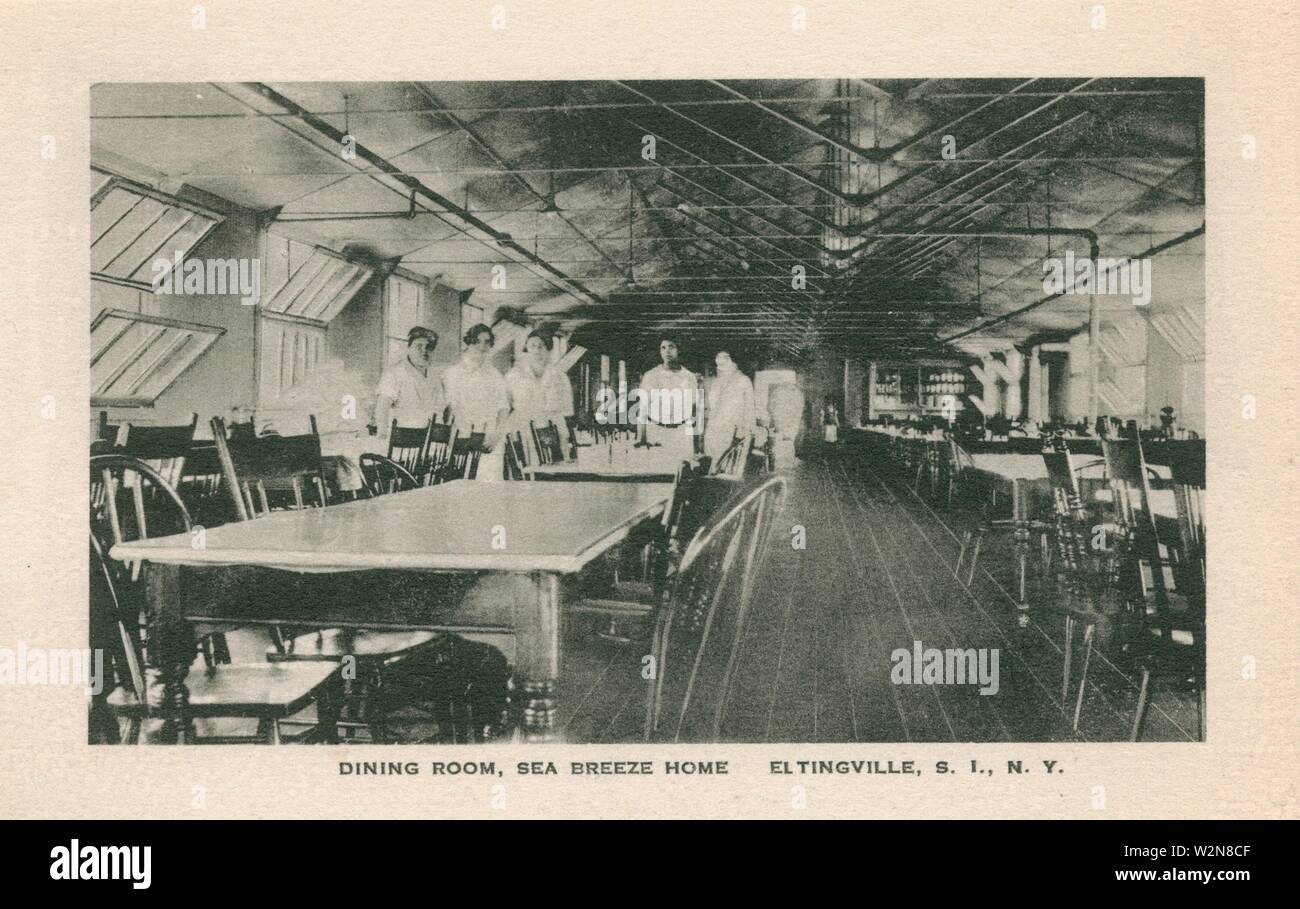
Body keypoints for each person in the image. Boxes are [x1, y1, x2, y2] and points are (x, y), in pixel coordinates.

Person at [442, 323, 510, 480]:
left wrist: (496, 435)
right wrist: (469, 437)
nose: (482, 346)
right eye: (477, 341)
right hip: (465, 439)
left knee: (491, 486)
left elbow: (504, 407)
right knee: (463, 485)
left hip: (491, 439)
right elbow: (453, 408)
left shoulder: (495, 374)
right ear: (469, 343)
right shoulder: (454, 372)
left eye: (487, 342)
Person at [505, 329, 574, 462]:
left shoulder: (560, 377)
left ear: (549, 349)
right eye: (532, 346)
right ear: (527, 349)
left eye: (541, 346)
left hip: (553, 431)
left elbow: (567, 411)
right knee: (524, 468)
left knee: (554, 469)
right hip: (522, 429)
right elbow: (505, 406)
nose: (537, 350)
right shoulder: (513, 375)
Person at [370, 327, 445, 436]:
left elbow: (440, 409)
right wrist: (382, 435)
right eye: (419, 346)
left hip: (431, 440)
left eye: (429, 347)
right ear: (409, 347)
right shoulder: (394, 373)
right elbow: (382, 407)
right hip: (402, 440)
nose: (424, 350)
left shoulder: (435, 377)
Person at [637, 334, 699, 461]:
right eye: (663, 348)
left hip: (681, 433)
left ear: (679, 350)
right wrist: (642, 438)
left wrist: (697, 442)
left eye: (671, 347)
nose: (667, 351)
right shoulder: (651, 375)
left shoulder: (689, 377)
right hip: (656, 431)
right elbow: (642, 409)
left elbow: (693, 409)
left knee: (682, 474)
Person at [703, 350, 755, 462]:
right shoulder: (716, 382)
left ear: (733, 360)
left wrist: (744, 433)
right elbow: (711, 407)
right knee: (711, 463)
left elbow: (750, 410)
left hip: (733, 431)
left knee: (728, 464)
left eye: (725, 357)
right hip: (714, 429)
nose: (720, 360)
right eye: (718, 357)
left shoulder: (743, 380)